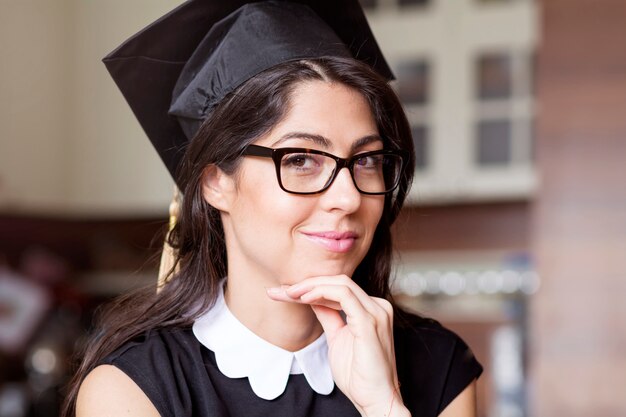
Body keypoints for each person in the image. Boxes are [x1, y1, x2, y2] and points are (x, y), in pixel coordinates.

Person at [63, 1, 482, 416]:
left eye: (367, 160)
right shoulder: (133, 388)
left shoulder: (438, 368)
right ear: (215, 182)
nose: (349, 197)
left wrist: (384, 407)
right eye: (300, 160)